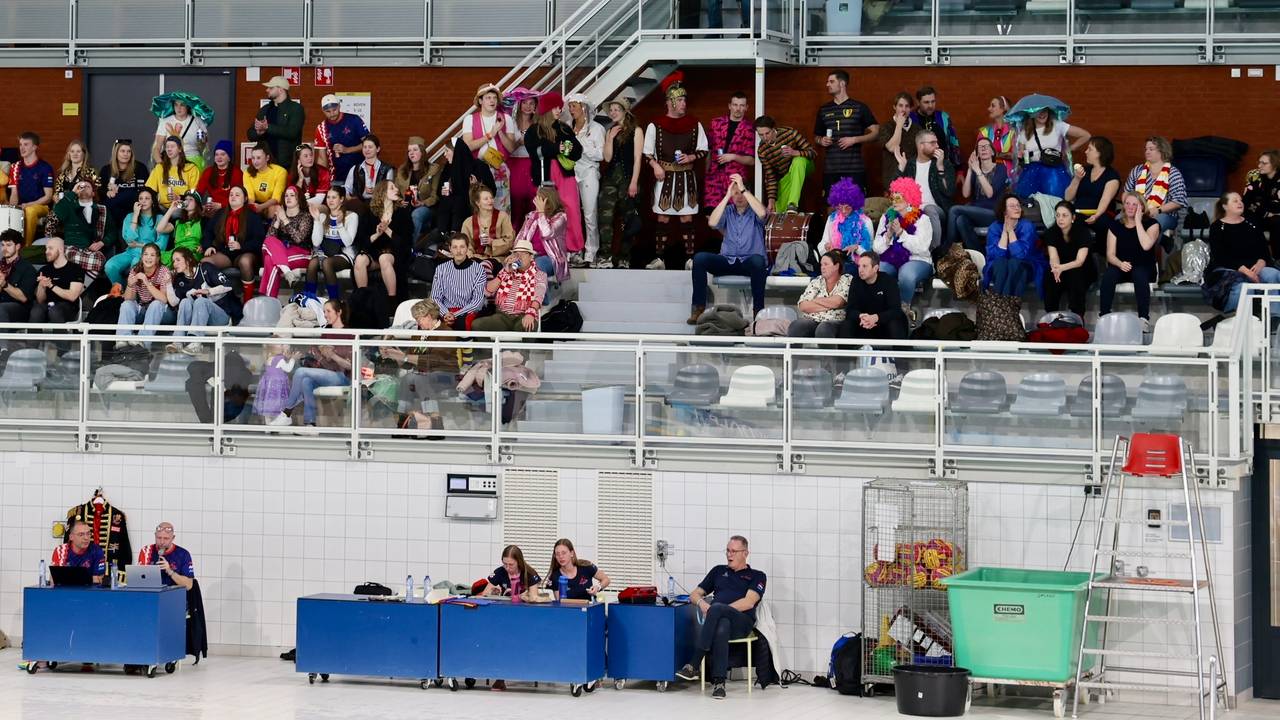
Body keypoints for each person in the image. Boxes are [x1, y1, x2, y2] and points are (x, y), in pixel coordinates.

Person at [675, 535, 766, 700]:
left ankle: (694, 664)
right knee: (722, 626)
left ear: (745, 553)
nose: (729, 555)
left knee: (718, 613)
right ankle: (719, 684)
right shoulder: (718, 571)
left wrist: (717, 610)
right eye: (728, 551)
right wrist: (703, 604)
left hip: (742, 623)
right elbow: (694, 595)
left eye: (734, 551)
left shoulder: (757, 576)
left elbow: (748, 603)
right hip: (719, 623)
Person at [643, 72, 708, 269]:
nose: (683, 104)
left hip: (686, 177)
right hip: (665, 177)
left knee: (687, 217)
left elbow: (703, 149)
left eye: (684, 100)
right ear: (670, 102)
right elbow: (647, 153)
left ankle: (690, 260)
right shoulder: (656, 125)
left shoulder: (694, 124)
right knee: (662, 217)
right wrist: (655, 166)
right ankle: (659, 259)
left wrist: (691, 157)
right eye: (679, 100)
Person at [689, 173, 767, 323]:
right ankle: (698, 308)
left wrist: (743, 189)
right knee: (699, 258)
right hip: (728, 260)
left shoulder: (755, 211)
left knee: (758, 261)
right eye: (735, 193)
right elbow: (712, 223)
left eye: (741, 193)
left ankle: (758, 312)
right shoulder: (729, 210)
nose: (739, 196)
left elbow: (763, 213)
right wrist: (726, 197)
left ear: (747, 192)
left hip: (748, 263)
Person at [267, 299, 353, 429]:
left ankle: (286, 413)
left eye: (328, 311)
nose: (325, 315)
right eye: (324, 311)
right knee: (306, 381)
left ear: (339, 312)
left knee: (301, 372)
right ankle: (310, 424)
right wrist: (318, 353)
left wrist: (333, 355)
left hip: (344, 376)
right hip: (328, 374)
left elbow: (351, 366)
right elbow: (326, 365)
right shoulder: (326, 333)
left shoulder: (349, 334)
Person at [525, 92, 585, 260]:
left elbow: (578, 151)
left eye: (560, 107)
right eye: (556, 107)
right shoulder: (534, 130)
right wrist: (556, 148)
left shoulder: (564, 127)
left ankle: (574, 249)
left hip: (565, 175)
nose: (559, 110)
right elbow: (534, 152)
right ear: (547, 109)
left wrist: (569, 149)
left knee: (572, 209)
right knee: (547, 212)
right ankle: (548, 249)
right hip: (544, 176)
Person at [1205, 191, 1280, 313]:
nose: (1240, 203)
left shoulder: (1252, 223)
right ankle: (1235, 319)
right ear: (1225, 206)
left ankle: (1274, 318)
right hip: (1230, 269)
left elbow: (1264, 250)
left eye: (1240, 200)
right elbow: (1220, 257)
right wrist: (1244, 270)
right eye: (1235, 201)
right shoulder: (1217, 227)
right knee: (1244, 287)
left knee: (1273, 275)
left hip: (1255, 267)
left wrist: (1262, 261)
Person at [1099, 192, 1162, 329]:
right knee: (1109, 274)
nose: (1130, 207)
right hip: (1121, 265)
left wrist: (1138, 222)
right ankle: (1104, 316)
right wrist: (1119, 263)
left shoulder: (1152, 224)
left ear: (1142, 207)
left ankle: (1143, 319)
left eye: (1135, 204)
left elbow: (1146, 245)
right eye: (1127, 203)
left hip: (1144, 266)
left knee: (1139, 273)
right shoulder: (1115, 225)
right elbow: (1110, 254)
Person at [813, 70, 879, 193]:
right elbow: (816, 137)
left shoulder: (859, 107)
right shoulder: (824, 109)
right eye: (827, 82)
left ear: (842, 84)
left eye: (831, 81)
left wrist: (854, 139)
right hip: (831, 169)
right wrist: (821, 140)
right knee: (831, 206)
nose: (827, 84)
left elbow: (876, 132)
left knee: (856, 206)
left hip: (854, 168)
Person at [599, 96, 644, 268]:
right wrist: (610, 139)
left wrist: (634, 182)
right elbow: (607, 157)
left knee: (628, 218)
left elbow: (637, 159)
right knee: (605, 217)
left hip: (627, 178)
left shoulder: (636, 131)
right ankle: (606, 256)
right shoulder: (610, 130)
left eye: (617, 109)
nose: (613, 113)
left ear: (625, 111)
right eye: (611, 110)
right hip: (610, 178)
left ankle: (625, 257)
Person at [874, 177, 934, 307]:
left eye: (899, 198)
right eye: (892, 198)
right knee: (879, 271)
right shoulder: (886, 218)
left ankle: (903, 309)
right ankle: (881, 308)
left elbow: (922, 248)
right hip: (891, 259)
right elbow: (876, 248)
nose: (894, 202)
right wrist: (888, 236)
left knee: (906, 274)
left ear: (909, 199)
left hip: (917, 259)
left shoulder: (923, 219)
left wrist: (902, 233)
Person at [892, 130, 954, 250]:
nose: (937, 146)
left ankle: (934, 251)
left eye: (937, 142)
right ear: (921, 145)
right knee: (891, 210)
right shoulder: (910, 165)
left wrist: (940, 168)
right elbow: (895, 192)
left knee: (929, 209)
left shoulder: (944, 164)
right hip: (911, 210)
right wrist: (901, 167)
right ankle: (896, 251)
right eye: (932, 143)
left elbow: (949, 192)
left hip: (936, 210)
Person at [168, 247, 239, 351]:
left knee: (201, 301)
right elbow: (174, 303)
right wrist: (168, 284)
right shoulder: (180, 280)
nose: (175, 264)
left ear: (188, 260)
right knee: (184, 302)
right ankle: (178, 341)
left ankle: (196, 343)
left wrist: (209, 291)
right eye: (173, 261)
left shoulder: (205, 268)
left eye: (178, 260)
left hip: (220, 317)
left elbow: (229, 285)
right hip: (199, 321)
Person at [472, 237, 547, 333]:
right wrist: (505, 272)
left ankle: (521, 348)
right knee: (477, 325)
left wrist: (531, 313)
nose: (519, 257)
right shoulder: (506, 271)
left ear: (531, 257)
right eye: (516, 254)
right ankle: (488, 349)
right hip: (502, 316)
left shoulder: (539, 274)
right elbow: (487, 291)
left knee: (529, 326)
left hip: (523, 315)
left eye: (523, 253)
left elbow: (539, 296)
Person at [946, 136, 1009, 251]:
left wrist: (978, 171)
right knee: (961, 220)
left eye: (986, 146)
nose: (983, 149)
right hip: (976, 212)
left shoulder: (1001, 169)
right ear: (977, 154)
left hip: (994, 213)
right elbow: (965, 194)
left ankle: (949, 248)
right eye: (980, 147)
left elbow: (990, 193)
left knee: (954, 210)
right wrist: (970, 170)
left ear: (992, 152)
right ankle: (979, 255)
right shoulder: (975, 170)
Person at [355, 179, 412, 304]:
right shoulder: (369, 213)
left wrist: (388, 231)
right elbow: (362, 241)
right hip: (374, 252)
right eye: (392, 188)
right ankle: (362, 301)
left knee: (384, 258)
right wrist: (377, 234)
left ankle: (392, 301)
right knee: (360, 259)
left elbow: (406, 243)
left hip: (395, 253)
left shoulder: (402, 213)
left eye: (396, 187)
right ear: (382, 192)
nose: (397, 190)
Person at [203, 186, 265, 300]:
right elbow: (208, 232)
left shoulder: (253, 217)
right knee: (205, 262)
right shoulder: (220, 213)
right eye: (231, 194)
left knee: (245, 261)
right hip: (225, 253)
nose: (233, 197)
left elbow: (259, 240)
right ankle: (215, 296)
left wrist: (241, 246)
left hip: (245, 252)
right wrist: (208, 246)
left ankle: (247, 300)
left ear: (245, 198)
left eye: (237, 194)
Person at [1014, 108, 1089, 199]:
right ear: (1031, 113)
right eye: (1038, 111)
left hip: (1054, 172)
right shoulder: (1025, 131)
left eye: (1044, 111)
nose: (1042, 114)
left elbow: (1085, 135)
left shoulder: (1057, 125)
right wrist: (1021, 155)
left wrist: (1068, 150)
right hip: (1031, 173)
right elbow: (1022, 155)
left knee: (1055, 202)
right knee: (1032, 204)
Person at [465, 83, 517, 214]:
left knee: (502, 208)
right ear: (480, 100)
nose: (492, 100)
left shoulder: (506, 118)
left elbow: (511, 148)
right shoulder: (470, 119)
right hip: (479, 168)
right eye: (488, 97)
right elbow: (468, 146)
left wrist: (500, 132)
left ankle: (502, 233)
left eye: (494, 97)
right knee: (480, 206)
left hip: (500, 168)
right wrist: (490, 134)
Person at [983, 194, 1047, 297]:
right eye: (1012, 206)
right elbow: (995, 256)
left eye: (1018, 205)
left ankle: (998, 304)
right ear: (1004, 210)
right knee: (1001, 263)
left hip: (1026, 264)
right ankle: (1007, 306)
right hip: (1001, 267)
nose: (1017, 208)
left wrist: (1011, 232)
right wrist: (1004, 232)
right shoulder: (994, 228)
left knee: (1014, 263)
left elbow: (1021, 256)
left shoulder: (1027, 226)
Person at [568, 94, 606, 267]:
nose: (571, 110)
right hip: (570, 172)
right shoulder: (568, 128)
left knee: (590, 213)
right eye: (570, 107)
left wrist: (581, 148)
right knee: (571, 214)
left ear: (583, 107)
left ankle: (591, 250)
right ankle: (574, 249)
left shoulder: (597, 129)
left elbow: (601, 155)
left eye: (574, 106)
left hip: (589, 171)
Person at [1123, 136, 1188, 238]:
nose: (1147, 152)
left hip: (1163, 214)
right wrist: (1128, 207)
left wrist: (1157, 210)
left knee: (1152, 223)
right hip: (1136, 210)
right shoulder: (1137, 170)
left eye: (1151, 149)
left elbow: (1178, 201)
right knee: (1119, 219)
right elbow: (1126, 192)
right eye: (1146, 149)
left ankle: (1149, 249)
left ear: (1162, 151)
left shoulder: (1173, 173)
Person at [49, 177, 109, 285]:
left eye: (87, 186)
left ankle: (78, 289)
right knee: (69, 256)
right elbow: (57, 212)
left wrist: (102, 242)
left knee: (99, 261)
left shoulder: (101, 209)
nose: (84, 188)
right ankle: (75, 289)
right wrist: (72, 193)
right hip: (71, 248)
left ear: (93, 193)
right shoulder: (69, 206)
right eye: (80, 186)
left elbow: (112, 232)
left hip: (89, 250)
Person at [1063, 136, 1121, 248]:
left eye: (1089, 149)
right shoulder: (1084, 171)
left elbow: (1105, 199)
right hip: (1079, 212)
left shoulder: (1112, 176)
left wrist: (1096, 215)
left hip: (1100, 213)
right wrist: (1077, 179)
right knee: (1068, 225)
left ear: (1099, 153)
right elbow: (1067, 197)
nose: (1085, 152)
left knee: (1104, 226)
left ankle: (1101, 257)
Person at [515, 185, 570, 302]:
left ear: (548, 200)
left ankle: (540, 303)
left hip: (551, 259)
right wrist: (516, 254)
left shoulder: (561, 217)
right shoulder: (531, 216)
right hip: (530, 257)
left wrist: (541, 213)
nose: (536, 201)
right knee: (511, 266)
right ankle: (516, 303)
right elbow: (520, 237)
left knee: (537, 265)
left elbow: (547, 233)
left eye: (539, 199)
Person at [259, 186, 314, 299]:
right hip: (283, 252)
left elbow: (298, 238)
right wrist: (278, 221)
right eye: (286, 196)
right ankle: (286, 270)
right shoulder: (279, 214)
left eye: (292, 195)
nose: (288, 198)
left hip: (302, 253)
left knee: (270, 261)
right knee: (269, 242)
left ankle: (268, 300)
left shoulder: (306, 216)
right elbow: (268, 240)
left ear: (299, 198)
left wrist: (284, 219)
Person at [107, 187, 169, 287]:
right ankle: (120, 290)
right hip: (130, 252)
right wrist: (135, 215)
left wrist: (139, 244)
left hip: (147, 255)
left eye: (147, 198)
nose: (143, 201)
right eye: (141, 198)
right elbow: (129, 240)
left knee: (135, 265)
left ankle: (134, 296)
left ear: (153, 201)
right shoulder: (130, 216)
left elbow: (161, 246)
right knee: (110, 266)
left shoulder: (159, 218)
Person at [705, 92, 756, 211]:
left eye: (742, 105)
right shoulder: (716, 123)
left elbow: (752, 160)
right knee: (710, 214)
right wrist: (707, 169)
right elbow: (708, 148)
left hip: (735, 179)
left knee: (734, 213)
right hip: (714, 177)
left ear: (747, 107)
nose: (738, 109)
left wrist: (733, 156)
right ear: (729, 106)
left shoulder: (750, 129)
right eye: (735, 104)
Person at [1043, 201, 1096, 316]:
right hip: (1061, 267)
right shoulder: (1051, 232)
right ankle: (1051, 316)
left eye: (1064, 215)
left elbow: (1080, 261)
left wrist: (1062, 268)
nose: (1060, 219)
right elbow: (1053, 256)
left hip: (1082, 268)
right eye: (1057, 215)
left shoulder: (1083, 232)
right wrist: (1056, 268)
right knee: (1050, 276)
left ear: (1073, 217)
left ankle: (1078, 317)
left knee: (1076, 276)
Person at [754, 116, 816, 213]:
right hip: (787, 176)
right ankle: (788, 213)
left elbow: (813, 153)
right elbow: (770, 177)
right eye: (761, 135)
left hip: (805, 166)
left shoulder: (790, 133)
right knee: (778, 211)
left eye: (767, 133)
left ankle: (793, 204)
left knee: (798, 161)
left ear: (773, 129)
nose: (765, 137)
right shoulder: (762, 150)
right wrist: (771, 200)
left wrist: (795, 152)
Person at [116, 242, 175, 345]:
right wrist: (129, 285)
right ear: (141, 256)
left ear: (157, 258)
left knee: (156, 304)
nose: (148, 258)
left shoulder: (163, 271)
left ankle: (142, 342)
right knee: (126, 305)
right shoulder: (135, 270)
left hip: (163, 312)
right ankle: (122, 340)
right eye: (146, 254)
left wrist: (147, 283)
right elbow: (129, 299)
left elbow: (163, 299)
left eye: (152, 255)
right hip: (144, 309)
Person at [842, 250, 909, 340]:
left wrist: (876, 318)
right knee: (847, 325)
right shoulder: (856, 281)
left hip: (884, 323)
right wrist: (861, 316)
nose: (860, 270)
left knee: (895, 323)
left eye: (865, 266)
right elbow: (850, 310)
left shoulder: (889, 281)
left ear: (875, 268)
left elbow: (895, 310)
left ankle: (901, 353)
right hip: (864, 323)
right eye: (859, 266)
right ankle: (846, 353)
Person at [306, 186, 358, 299]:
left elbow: (348, 242)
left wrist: (339, 224)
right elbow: (316, 242)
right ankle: (310, 300)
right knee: (312, 263)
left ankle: (334, 300)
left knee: (327, 263)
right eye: (328, 197)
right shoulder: (323, 217)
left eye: (334, 197)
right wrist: (316, 221)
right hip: (326, 253)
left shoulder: (352, 216)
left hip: (344, 255)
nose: (330, 200)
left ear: (342, 199)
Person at [430, 233, 488, 331]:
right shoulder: (441, 269)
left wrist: (455, 315)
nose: (458, 251)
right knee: (428, 322)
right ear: (450, 249)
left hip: (468, 311)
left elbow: (478, 301)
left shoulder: (479, 269)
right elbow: (435, 297)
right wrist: (446, 313)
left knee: (462, 324)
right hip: (445, 311)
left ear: (467, 248)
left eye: (462, 247)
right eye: (455, 247)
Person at [7, 131, 55, 246]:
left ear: (34, 147)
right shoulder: (16, 167)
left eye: (26, 144)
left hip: (41, 207)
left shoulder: (45, 167)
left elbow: (48, 197)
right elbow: (14, 196)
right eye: (20, 144)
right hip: (21, 206)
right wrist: (13, 206)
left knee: (30, 210)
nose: (22, 148)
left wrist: (28, 205)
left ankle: (25, 248)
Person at [789, 249, 850, 338]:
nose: (822, 267)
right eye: (821, 264)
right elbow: (803, 305)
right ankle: (794, 352)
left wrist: (816, 300)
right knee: (796, 326)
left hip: (834, 320)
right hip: (812, 320)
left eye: (826, 264)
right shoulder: (817, 281)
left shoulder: (846, 279)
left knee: (824, 329)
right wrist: (830, 304)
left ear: (836, 266)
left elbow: (837, 302)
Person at [249, 75, 305, 169]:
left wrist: (267, 128)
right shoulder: (265, 110)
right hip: (265, 165)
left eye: (271, 88)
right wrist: (258, 133)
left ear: (280, 89)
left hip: (287, 164)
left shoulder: (295, 109)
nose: (267, 90)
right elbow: (250, 134)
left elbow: (292, 132)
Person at [313, 94, 369, 188]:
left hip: (359, 173)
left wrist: (348, 150)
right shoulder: (321, 128)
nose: (332, 113)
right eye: (328, 111)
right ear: (323, 111)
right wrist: (323, 179)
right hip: (336, 176)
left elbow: (369, 143)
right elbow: (322, 159)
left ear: (339, 106)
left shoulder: (354, 120)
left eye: (334, 110)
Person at [505, 87, 542, 227]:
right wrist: (519, 142)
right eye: (525, 103)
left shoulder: (538, 125)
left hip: (532, 164)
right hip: (514, 164)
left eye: (531, 103)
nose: (528, 106)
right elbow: (507, 147)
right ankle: (513, 234)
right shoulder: (511, 123)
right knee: (515, 199)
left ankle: (531, 235)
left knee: (533, 199)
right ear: (519, 105)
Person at [99, 139, 150, 240]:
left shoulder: (140, 167)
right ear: (116, 152)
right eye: (122, 151)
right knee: (114, 208)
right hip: (115, 209)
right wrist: (108, 192)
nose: (126, 154)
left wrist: (119, 194)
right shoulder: (106, 170)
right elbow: (100, 191)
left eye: (128, 151)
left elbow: (143, 190)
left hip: (134, 204)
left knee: (129, 194)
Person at [395, 136, 444, 241]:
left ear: (422, 152)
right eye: (409, 151)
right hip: (406, 206)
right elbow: (395, 192)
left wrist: (422, 203)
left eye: (415, 150)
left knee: (416, 214)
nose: (411, 153)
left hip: (426, 207)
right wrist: (400, 201)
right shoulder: (402, 170)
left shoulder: (433, 169)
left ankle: (410, 248)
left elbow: (435, 196)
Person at [460, 184, 514, 274]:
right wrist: (469, 257)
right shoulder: (468, 222)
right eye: (486, 199)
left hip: (497, 259)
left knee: (485, 266)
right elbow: (466, 245)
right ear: (478, 203)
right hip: (476, 258)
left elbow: (510, 241)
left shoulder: (503, 217)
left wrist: (492, 242)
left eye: (491, 198)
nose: (490, 201)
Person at [816, 178, 874, 261]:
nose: (843, 211)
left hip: (857, 264)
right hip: (836, 261)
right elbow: (823, 243)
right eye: (839, 207)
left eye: (847, 207)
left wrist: (857, 248)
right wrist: (825, 246)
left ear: (854, 204)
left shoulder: (866, 221)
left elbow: (870, 252)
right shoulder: (831, 219)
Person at [30, 237, 85, 324]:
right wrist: (41, 285)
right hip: (47, 305)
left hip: (68, 307)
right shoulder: (44, 270)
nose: (46, 252)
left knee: (55, 311)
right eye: (46, 248)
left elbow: (72, 296)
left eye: (50, 248)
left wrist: (51, 285)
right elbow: (40, 300)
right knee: (35, 311)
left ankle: (60, 338)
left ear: (60, 249)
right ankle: (34, 338)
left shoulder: (75, 269)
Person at [909, 86, 961, 168]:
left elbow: (953, 142)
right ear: (918, 102)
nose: (930, 105)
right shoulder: (910, 118)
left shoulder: (943, 117)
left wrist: (959, 169)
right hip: (917, 167)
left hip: (943, 166)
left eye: (933, 101)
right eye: (926, 102)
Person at [146, 136, 201, 210]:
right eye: (167, 147)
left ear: (180, 149)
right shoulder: (159, 167)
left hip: (182, 206)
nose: (169, 149)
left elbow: (194, 195)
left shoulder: (191, 168)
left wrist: (179, 197)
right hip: (162, 206)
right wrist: (155, 201)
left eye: (172, 146)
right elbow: (149, 189)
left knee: (175, 212)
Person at [152, 97, 208, 169]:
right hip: (172, 161)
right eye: (176, 105)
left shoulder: (197, 121)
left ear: (187, 106)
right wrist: (161, 165)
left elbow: (203, 145)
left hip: (193, 161)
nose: (178, 108)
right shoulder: (165, 122)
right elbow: (157, 148)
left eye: (182, 105)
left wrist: (202, 137)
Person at [545, 538, 610, 600]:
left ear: (571, 553)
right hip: (569, 610)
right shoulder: (555, 576)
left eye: (564, 553)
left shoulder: (586, 567)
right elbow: (560, 602)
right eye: (557, 554)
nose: (561, 557)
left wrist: (598, 587)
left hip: (589, 609)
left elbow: (606, 579)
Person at [137, 522, 195, 590]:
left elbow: (188, 585)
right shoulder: (146, 551)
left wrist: (169, 571)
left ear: (173, 538)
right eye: (159, 538)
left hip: (175, 596)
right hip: (152, 595)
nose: (162, 542)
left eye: (166, 538)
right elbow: (138, 580)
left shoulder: (183, 554)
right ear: (155, 535)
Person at [878, 92, 916, 192]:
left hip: (912, 180)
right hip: (892, 179)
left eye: (907, 106)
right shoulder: (886, 127)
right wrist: (899, 125)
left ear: (911, 108)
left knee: (911, 208)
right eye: (900, 105)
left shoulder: (917, 129)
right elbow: (892, 148)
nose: (903, 109)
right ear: (894, 107)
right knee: (893, 208)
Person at [155, 189, 204, 267]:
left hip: (192, 253)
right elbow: (159, 229)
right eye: (186, 199)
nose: (187, 201)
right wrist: (171, 209)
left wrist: (203, 246)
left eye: (191, 199)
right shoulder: (178, 221)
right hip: (176, 252)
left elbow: (208, 237)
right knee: (155, 256)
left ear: (197, 204)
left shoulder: (203, 221)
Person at [51, 520, 107, 585]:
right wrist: (88, 578)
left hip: (90, 593)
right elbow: (54, 579)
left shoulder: (97, 551)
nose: (86, 538)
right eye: (81, 534)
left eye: (88, 534)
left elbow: (98, 579)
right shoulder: (60, 551)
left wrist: (69, 578)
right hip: (66, 592)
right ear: (71, 537)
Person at [196, 140, 244, 216]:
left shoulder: (237, 173)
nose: (219, 157)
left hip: (230, 208)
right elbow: (199, 193)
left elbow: (239, 197)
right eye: (216, 154)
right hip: (212, 209)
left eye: (223, 154)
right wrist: (200, 207)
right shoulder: (208, 172)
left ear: (229, 157)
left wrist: (221, 205)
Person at [1243, 149, 1280, 248]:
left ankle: (1277, 258)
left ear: (1275, 164)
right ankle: (1258, 256)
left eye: (1264, 163)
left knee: (1277, 222)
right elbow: (1246, 201)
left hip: (1276, 219)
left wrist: (1264, 206)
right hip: (1259, 214)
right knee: (1247, 221)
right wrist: (1266, 212)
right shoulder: (1255, 176)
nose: (1259, 166)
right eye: (1259, 162)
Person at [343, 133, 395, 203]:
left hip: (379, 204)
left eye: (370, 147)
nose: (367, 150)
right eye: (365, 147)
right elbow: (347, 188)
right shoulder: (355, 169)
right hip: (359, 204)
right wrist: (350, 197)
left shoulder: (387, 169)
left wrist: (376, 191)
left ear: (378, 149)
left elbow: (390, 191)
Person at [0, 229, 37, 323]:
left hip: (19, 308)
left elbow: (23, 298)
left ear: (17, 246)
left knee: (1, 309)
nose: (4, 248)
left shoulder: (27, 268)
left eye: (8, 245)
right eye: (2, 245)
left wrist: (4, 284)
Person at [242, 143, 287, 217]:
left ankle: (271, 228)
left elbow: (276, 198)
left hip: (271, 204)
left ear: (267, 158)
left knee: (274, 208)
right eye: (253, 158)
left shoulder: (280, 172)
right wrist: (253, 207)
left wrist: (261, 207)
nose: (255, 161)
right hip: (255, 203)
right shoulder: (247, 173)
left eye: (258, 158)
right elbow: (250, 197)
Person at [977, 95, 1015, 174]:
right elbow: (978, 153)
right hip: (987, 174)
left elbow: (1015, 155)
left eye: (993, 106)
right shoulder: (984, 131)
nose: (989, 109)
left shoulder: (1014, 131)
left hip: (1009, 175)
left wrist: (992, 153)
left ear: (1003, 109)